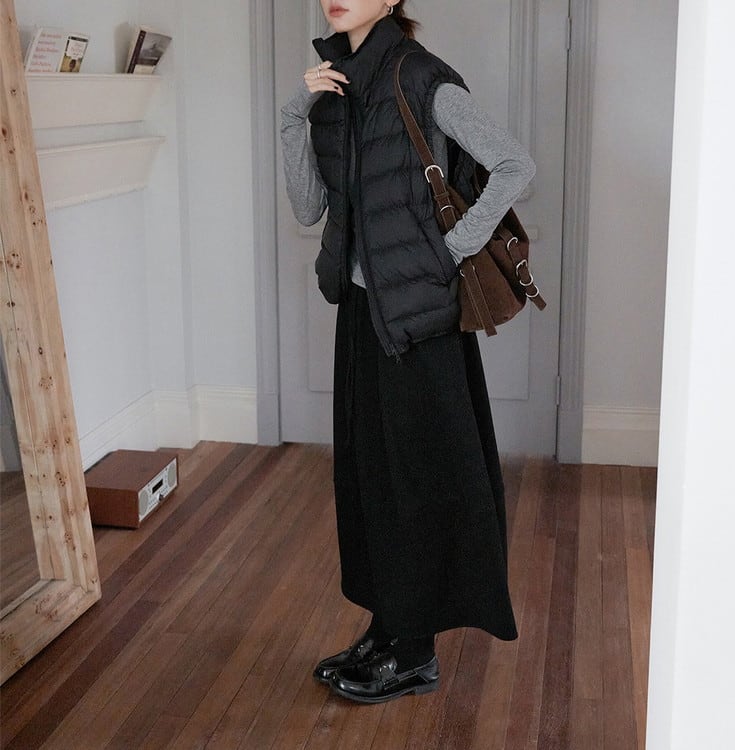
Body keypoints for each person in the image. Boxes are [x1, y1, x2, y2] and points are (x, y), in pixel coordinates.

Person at [280, 0, 535, 705]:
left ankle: (416, 652)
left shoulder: (423, 78)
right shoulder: (333, 85)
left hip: (418, 323)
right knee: (371, 479)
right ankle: (387, 627)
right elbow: (308, 208)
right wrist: (295, 111)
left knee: (419, 483)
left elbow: (513, 164)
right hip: (362, 314)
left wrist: (448, 251)